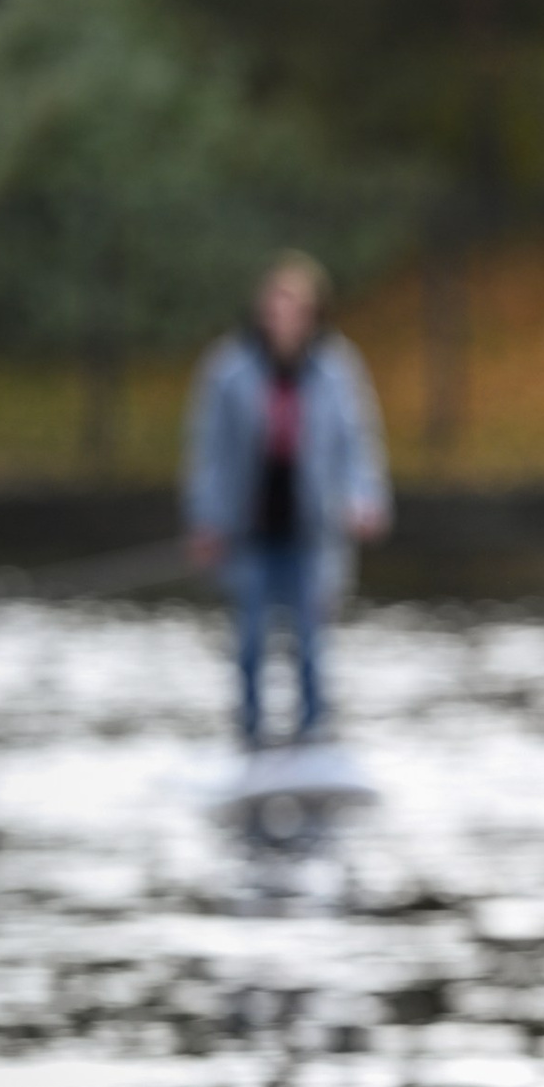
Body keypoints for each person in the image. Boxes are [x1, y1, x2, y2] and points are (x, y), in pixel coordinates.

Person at [184, 253, 391, 748]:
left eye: (294, 306)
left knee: (311, 645)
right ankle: (250, 734)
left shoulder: (337, 370)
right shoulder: (228, 370)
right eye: (275, 305)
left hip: (312, 531)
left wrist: (366, 499)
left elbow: (357, 443)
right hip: (249, 531)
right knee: (251, 642)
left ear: (313, 312)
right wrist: (206, 521)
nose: (282, 316)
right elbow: (208, 451)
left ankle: (313, 733)